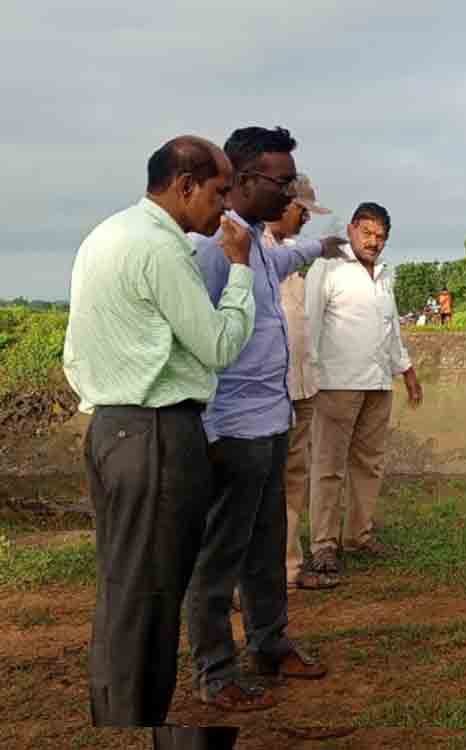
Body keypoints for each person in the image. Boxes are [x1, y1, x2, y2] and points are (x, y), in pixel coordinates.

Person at [63, 135, 252, 748]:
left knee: (125, 591)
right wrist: (242, 270)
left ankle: (119, 717)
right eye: (219, 192)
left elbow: (75, 351)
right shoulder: (161, 249)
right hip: (157, 435)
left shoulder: (105, 236)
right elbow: (220, 345)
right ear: (185, 184)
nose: (224, 210)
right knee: (149, 599)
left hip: (113, 429)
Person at [188, 127, 346, 713]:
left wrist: (319, 245)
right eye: (282, 183)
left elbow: (282, 260)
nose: (290, 196)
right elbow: (194, 337)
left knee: (267, 541)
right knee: (220, 551)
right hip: (230, 427)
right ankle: (214, 668)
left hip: (270, 419)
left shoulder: (251, 241)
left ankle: (270, 643)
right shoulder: (210, 247)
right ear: (245, 179)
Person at [306, 202, 424, 582]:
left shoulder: (385, 275)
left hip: (377, 383)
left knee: (370, 463)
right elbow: (310, 324)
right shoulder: (329, 267)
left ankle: (358, 535)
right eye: (368, 233)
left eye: (381, 237)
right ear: (353, 228)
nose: (374, 242)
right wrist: (307, 376)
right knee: (328, 467)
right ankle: (324, 544)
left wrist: (405, 369)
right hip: (336, 383)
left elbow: (390, 330)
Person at [262, 173, 340, 591]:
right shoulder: (248, 247)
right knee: (258, 486)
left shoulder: (290, 255)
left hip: (300, 384)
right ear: (281, 201)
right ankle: (251, 578)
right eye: (302, 210)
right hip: (267, 390)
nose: (306, 219)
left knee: (294, 479)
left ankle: (288, 569)